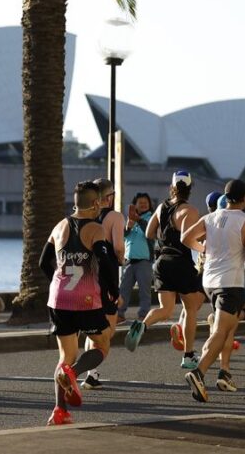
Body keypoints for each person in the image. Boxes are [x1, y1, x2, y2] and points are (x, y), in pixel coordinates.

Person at [39, 181, 116, 426]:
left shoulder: (59, 226)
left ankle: (59, 411)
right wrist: (112, 291)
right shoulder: (95, 229)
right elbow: (106, 263)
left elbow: (43, 262)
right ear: (95, 203)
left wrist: (58, 282)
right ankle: (75, 373)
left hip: (58, 298)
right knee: (102, 345)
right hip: (86, 299)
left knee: (65, 356)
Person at [180, 180, 245, 401]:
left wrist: (202, 247)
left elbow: (185, 237)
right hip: (231, 282)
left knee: (228, 324)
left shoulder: (209, 217)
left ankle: (224, 371)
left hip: (209, 281)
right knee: (221, 331)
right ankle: (198, 372)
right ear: (244, 199)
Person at [124, 171, 205, 370]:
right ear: (189, 188)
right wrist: (204, 249)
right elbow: (188, 238)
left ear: (173, 187)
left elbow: (149, 233)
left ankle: (142, 325)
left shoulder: (161, 208)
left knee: (166, 310)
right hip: (181, 262)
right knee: (191, 308)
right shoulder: (189, 211)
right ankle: (188, 355)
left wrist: (164, 236)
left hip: (161, 261)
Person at [81, 178, 124, 390]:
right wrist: (123, 259)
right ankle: (80, 370)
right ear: (109, 197)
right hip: (107, 275)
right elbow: (118, 247)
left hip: (88, 276)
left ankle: (92, 374)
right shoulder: (115, 216)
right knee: (107, 332)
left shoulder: (86, 215)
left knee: (93, 328)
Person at [117, 193, 154, 323]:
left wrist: (138, 220)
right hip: (128, 261)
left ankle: (143, 315)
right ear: (135, 205)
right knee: (123, 290)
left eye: (146, 202)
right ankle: (119, 314)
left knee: (145, 291)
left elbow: (150, 233)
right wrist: (128, 226)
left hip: (144, 261)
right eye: (140, 202)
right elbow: (123, 236)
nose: (143, 204)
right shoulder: (130, 220)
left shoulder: (151, 218)